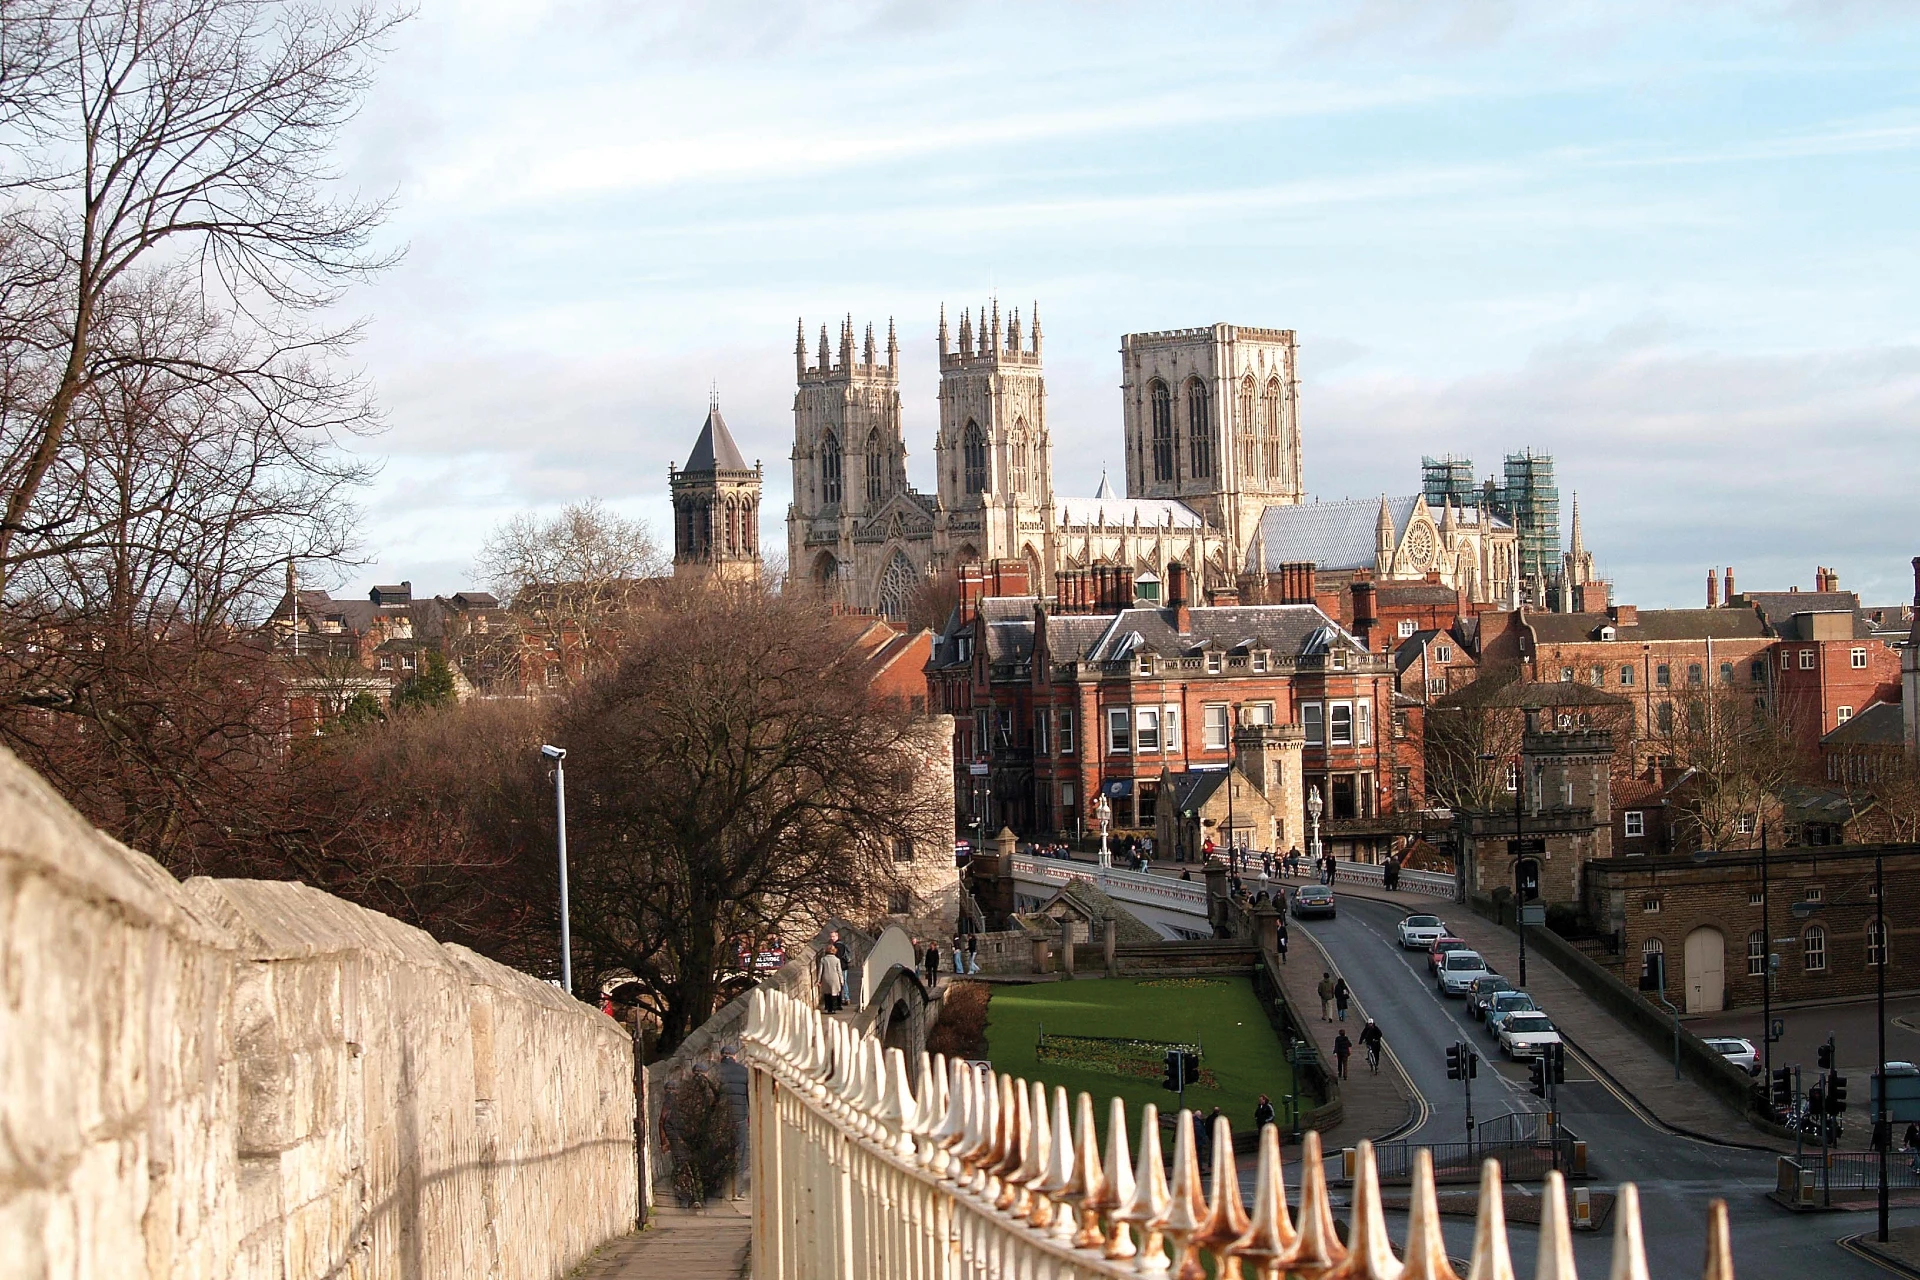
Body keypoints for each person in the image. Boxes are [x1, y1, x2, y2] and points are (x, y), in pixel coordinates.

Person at [818, 943, 845, 1013]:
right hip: (835, 978)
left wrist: (819, 980)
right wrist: (841, 980)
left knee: (827, 993)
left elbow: (820, 970)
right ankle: (833, 1008)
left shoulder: (823, 959)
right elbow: (839, 971)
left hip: (826, 978)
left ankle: (828, 1008)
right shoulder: (837, 960)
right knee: (834, 993)